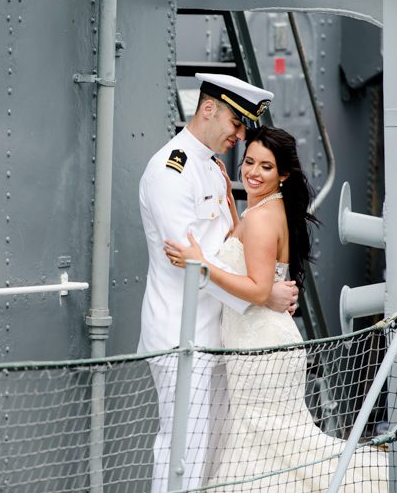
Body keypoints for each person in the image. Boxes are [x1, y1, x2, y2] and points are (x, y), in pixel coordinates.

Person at [164, 126, 388, 492]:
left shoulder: (264, 217)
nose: (252, 172)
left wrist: (200, 264)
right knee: (274, 450)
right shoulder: (266, 210)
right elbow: (248, 256)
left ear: (283, 174)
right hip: (262, 343)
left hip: (259, 349)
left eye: (266, 167)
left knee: (274, 447)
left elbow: (256, 289)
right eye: (249, 161)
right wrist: (224, 191)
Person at [138, 74, 300, 493]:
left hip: (222, 332)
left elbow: (229, 249)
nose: (240, 134)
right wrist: (262, 297)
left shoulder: (210, 167)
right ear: (209, 109)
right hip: (182, 334)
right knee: (181, 454)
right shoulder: (171, 170)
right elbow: (186, 264)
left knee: (213, 452)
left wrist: (266, 290)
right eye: (237, 122)